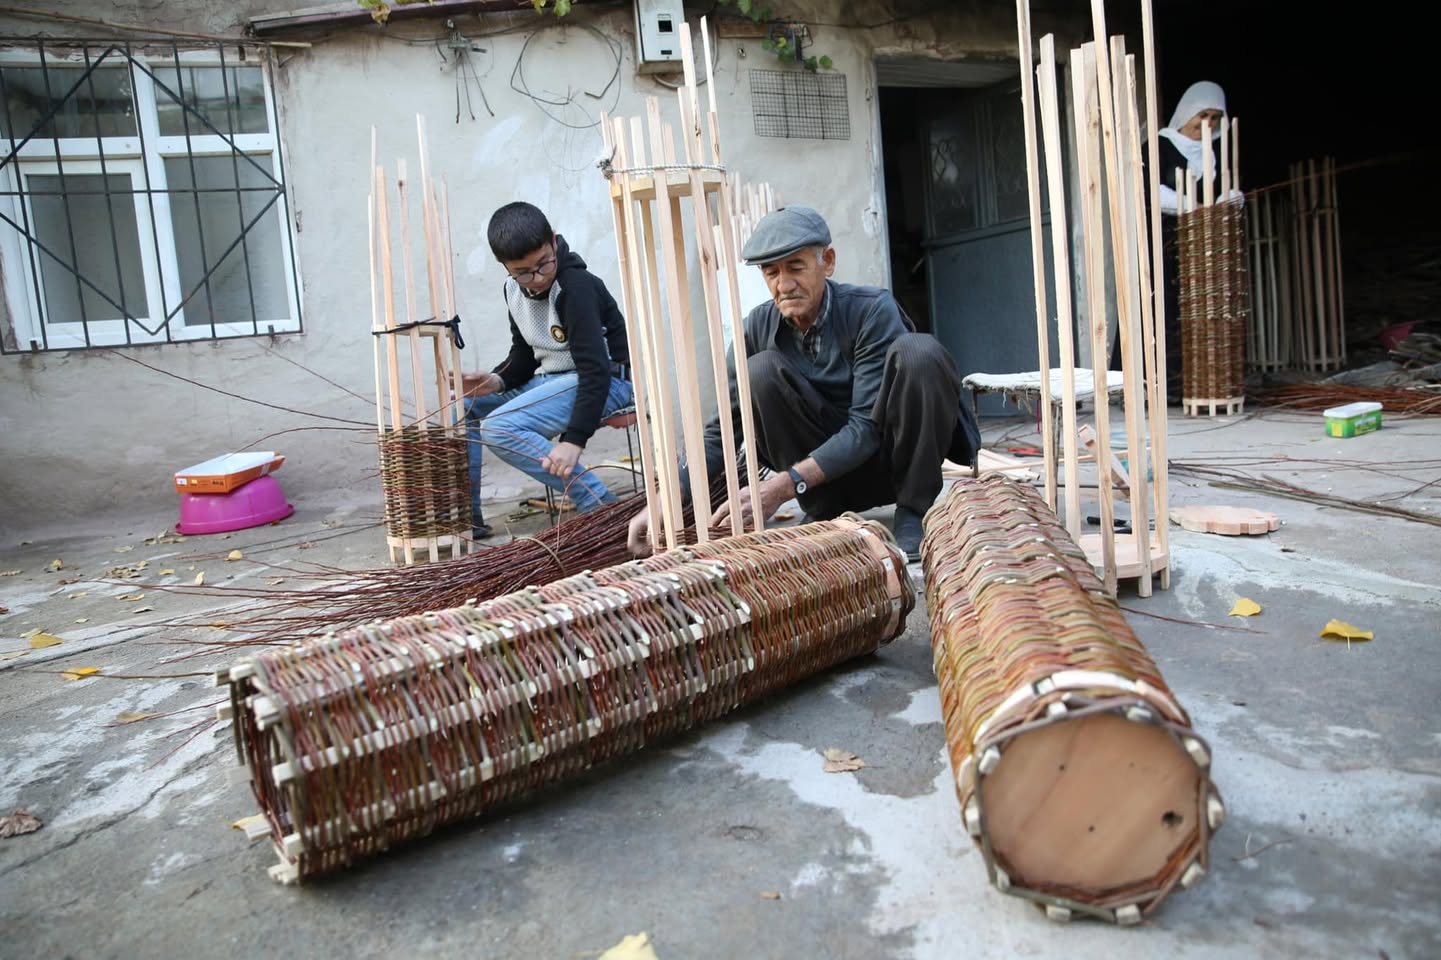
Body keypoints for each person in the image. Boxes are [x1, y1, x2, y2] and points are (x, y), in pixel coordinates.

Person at [625, 205, 979, 562]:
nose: (784, 285)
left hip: (888, 463)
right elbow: (723, 432)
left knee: (921, 352)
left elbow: (865, 428)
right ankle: (825, 511)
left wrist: (781, 486)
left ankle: (915, 510)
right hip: (822, 486)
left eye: (796, 267)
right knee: (758, 370)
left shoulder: (871, 310)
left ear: (827, 262)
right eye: (771, 272)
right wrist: (665, 502)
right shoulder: (756, 329)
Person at [463, 202, 633, 536]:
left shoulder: (575, 288)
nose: (537, 278)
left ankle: (603, 506)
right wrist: (497, 381)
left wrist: (573, 441)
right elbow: (525, 355)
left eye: (543, 264)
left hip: (607, 381)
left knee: (498, 428)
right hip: (552, 380)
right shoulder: (513, 290)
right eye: (523, 272)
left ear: (553, 242)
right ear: (506, 267)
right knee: (464, 406)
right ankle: (467, 516)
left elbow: (595, 371)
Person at [1145, 80, 1243, 390]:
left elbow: (1221, 191)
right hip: (1165, 243)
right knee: (1164, 308)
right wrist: (1192, 205)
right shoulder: (1160, 146)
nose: (1209, 125)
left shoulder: (1213, 153)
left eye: (1215, 118)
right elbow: (1149, 191)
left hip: (1202, 247)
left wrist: (1230, 198)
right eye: (1203, 116)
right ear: (1188, 112)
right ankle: (1162, 386)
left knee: (1203, 310)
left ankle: (1198, 383)